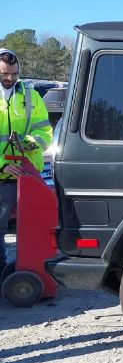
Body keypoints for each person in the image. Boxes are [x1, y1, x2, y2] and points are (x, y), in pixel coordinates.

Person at [0, 49, 53, 273]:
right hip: (3, 175)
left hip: (25, 175)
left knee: (33, 224)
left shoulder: (31, 97)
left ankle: (30, 268)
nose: (10, 78)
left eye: (14, 73)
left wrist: (26, 146)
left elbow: (44, 132)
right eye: (4, 74)